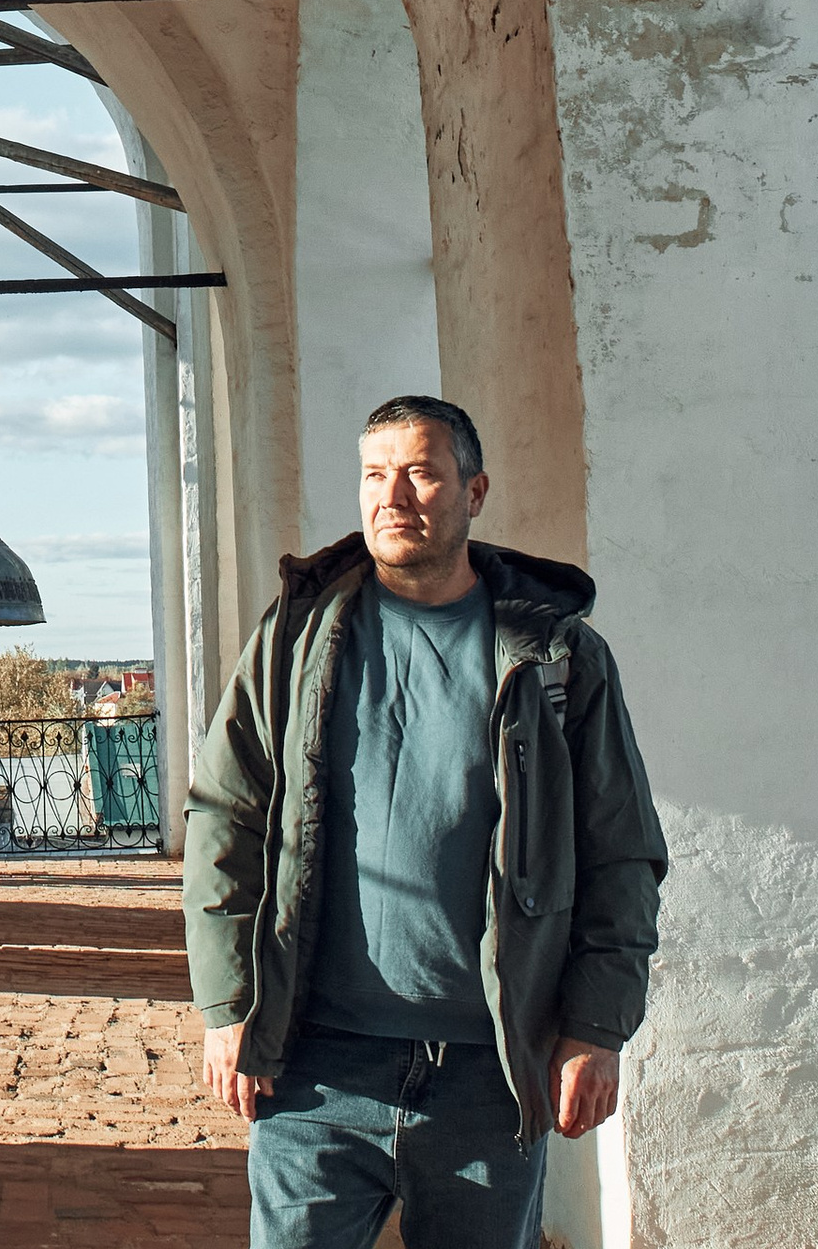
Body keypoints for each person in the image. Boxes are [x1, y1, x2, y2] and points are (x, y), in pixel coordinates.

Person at [184, 397, 665, 1249]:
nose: (393, 497)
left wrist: (596, 1028)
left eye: (421, 472)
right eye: (375, 475)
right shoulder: (295, 637)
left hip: (488, 1077)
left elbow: (620, 852)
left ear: (473, 491)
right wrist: (229, 1008)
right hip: (316, 1071)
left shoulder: (557, 659)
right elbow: (227, 817)